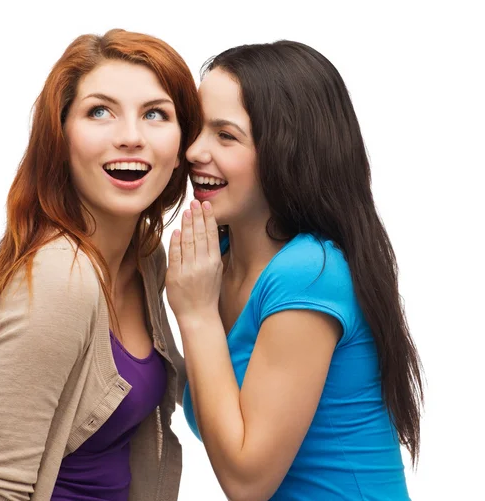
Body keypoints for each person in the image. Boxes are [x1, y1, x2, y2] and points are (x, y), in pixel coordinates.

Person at [166, 40, 424, 500]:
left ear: (288, 152)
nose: (194, 151)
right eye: (196, 129)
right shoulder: (213, 262)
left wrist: (197, 315)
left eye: (226, 136)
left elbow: (248, 481)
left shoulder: (310, 271)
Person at [0, 28, 201, 501]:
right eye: (99, 111)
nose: (130, 137)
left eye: (155, 114)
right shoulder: (58, 280)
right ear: (60, 136)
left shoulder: (146, 255)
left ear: (180, 149)